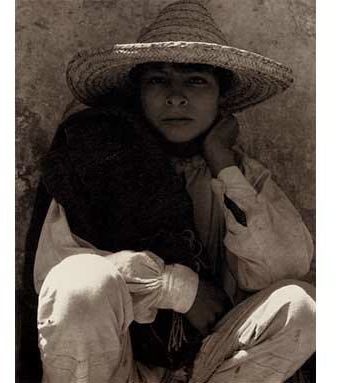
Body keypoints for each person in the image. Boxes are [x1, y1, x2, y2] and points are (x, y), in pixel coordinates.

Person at [32, 1, 315, 382]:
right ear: (137, 94)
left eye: (196, 80)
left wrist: (220, 160)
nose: (176, 96)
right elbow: (56, 273)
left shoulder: (239, 174)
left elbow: (286, 265)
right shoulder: (97, 164)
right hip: (117, 367)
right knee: (81, 282)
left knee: (302, 305)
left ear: (221, 98)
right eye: (157, 80)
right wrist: (179, 289)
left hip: (211, 365)